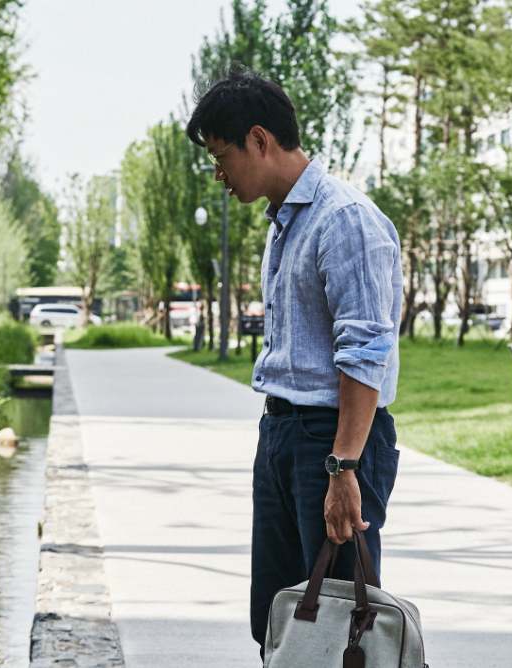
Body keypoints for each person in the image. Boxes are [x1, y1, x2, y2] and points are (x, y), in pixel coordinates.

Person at [187, 71, 403, 655]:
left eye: (221, 155)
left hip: (330, 444)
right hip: (283, 431)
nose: (218, 173)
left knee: (336, 624)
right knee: (280, 621)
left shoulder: (344, 220)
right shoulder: (286, 221)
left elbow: (365, 354)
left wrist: (343, 468)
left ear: (259, 140)